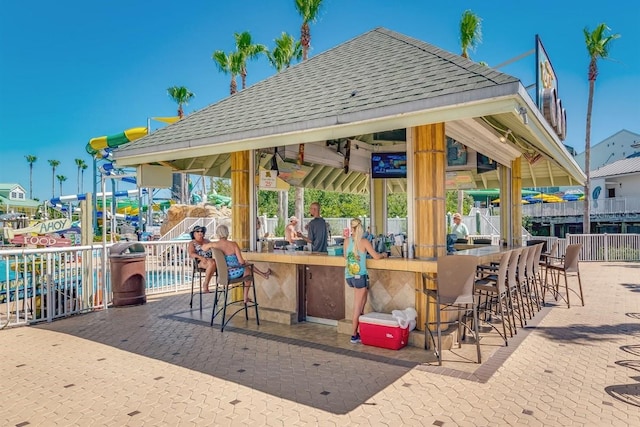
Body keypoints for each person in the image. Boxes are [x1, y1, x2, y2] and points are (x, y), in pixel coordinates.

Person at [343, 217, 388, 344]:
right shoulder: (363, 242)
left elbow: (345, 257)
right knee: (357, 307)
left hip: (349, 276)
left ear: (352, 228)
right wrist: (384, 255)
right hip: (360, 277)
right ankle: (353, 335)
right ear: (361, 228)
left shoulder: (347, 241)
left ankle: (360, 332)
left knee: (361, 305)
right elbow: (376, 256)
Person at [202, 224, 271, 304]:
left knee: (247, 265)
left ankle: (263, 274)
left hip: (223, 274)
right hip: (235, 272)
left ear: (218, 234)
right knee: (248, 269)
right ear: (227, 233)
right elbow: (241, 262)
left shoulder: (214, 244)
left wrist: (208, 244)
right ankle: (245, 297)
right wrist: (244, 262)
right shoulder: (233, 244)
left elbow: (203, 248)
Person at [187, 225, 215, 293]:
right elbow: (191, 254)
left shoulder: (207, 241)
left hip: (210, 260)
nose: (200, 233)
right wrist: (201, 257)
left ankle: (207, 284)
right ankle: (205, 284)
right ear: (194, 233)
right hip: (199, 262)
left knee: (213, 262)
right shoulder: (192, 243)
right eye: (197, 231)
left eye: (201, 231)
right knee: (212, 263)